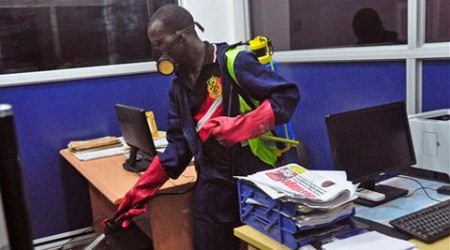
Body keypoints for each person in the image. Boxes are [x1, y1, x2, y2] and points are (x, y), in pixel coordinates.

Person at [114, 4, 300, 250]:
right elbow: (178, 147)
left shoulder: (233, 61)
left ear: (182, 36)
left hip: (253, 181)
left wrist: (242, 126)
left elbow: (287, 96)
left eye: (160, 44)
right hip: (212, 187)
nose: (158, 53)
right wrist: (139, 192)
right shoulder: (178, 87)